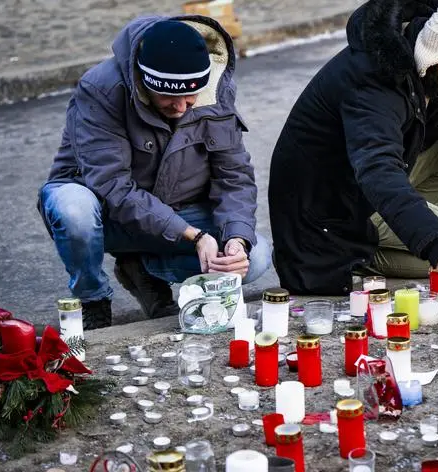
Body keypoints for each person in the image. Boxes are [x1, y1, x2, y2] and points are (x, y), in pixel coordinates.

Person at [38, 17, 270, 330]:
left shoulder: (214, 88)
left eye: (190, 96)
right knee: (73, 209)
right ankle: (92, 299)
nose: (181, 107)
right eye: (168, 98)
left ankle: (144, 270)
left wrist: (236, 240)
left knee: (255, 259)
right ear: (143, 83)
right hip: (107, 214)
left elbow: (235, 177)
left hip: (178, 212)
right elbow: (113, 186)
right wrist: (194, 235)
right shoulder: (101, 89)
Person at [269, 0, 438, 298]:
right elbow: (378, 170)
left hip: (354, 193)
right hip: (324, 224)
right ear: (435, 48)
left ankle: (400, 225)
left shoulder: (418, 52)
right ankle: (359, 254)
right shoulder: (373, 81)